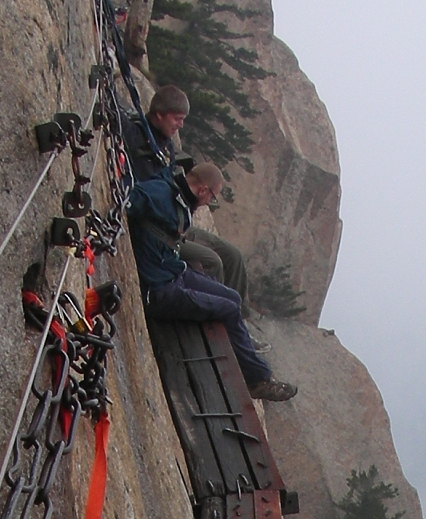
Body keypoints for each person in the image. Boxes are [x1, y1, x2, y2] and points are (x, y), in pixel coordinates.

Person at [128, 160, 295, 401]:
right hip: (159, 290)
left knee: (232, 298)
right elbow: (132, 198)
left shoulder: (176, 194)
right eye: (212, 197)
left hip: (173, 272)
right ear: (203, 189)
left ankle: (250, 357)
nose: (209, 203)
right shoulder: (162, 193)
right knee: (227, 308)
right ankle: (258, 380)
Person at [119, 85, 250, 300]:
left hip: (177, 216)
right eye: (177, 119)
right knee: (213, 261)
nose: (180, 125)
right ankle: (213, 312)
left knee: (233, 255)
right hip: (161, 224)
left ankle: (237, 314)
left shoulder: (165, 145)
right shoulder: (136, 135)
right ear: (159, 115)